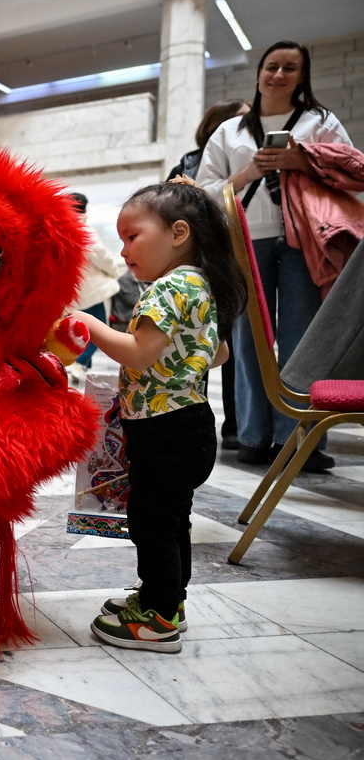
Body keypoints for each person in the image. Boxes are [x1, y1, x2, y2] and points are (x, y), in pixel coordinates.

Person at [72, 180, 247, 653]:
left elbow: (137, 354)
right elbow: (220, 354)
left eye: (132, 236)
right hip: (190, 424)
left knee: (151, 520)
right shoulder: (200, 285)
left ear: (178, 233)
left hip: (164, 431)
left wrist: (88, 322)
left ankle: (158, 619)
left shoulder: (167, 290)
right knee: (173, 520)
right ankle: (167, 599)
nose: (124, 249)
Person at [198, 40, 353, 471]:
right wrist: (247, 172)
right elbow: (203, 189)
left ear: (302, 76)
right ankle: (252, 435)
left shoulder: (321, 121)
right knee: (250, 339)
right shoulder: (229, 131)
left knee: (304, 338)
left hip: (305, 237)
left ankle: (300, 437)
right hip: (247, 239)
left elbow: (351, 170)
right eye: (272, 66)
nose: (279, 75)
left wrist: (302, 162)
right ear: (259, 72)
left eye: (290, 67)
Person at [167, 98, 250, 450]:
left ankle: (237, 425)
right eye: (242, 120)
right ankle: (193, 421)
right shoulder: (189, 163)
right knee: (202, 341)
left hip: (232, 260)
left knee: (228, 346)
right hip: (208, 265)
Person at [64, 192, 127, 385]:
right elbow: (101, 255)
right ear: (84, 208)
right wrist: (115, 271)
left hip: (73, 292)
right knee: (99, 331)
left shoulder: (61, 226)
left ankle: (79, 366)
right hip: (91, 291)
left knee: (78, 330)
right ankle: (78, 363)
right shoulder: (82, 227)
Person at [166, 98, 250, 181]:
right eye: (241, 118)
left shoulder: (256, 159)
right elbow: (226, 194)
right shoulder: (183, 171)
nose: (250, 123)